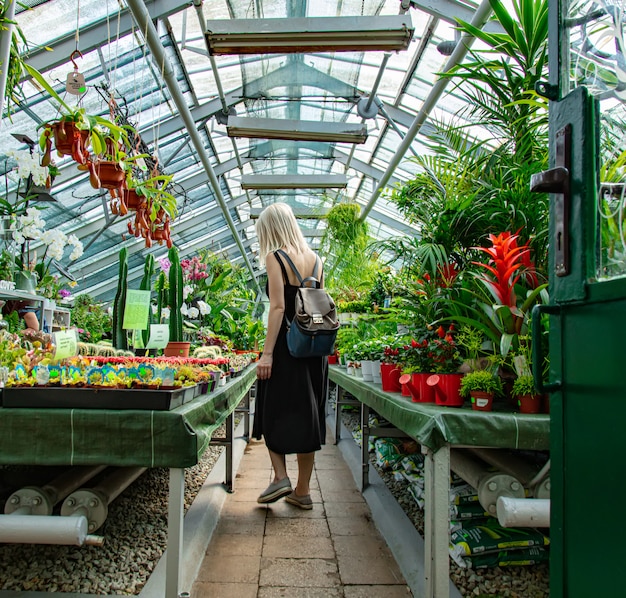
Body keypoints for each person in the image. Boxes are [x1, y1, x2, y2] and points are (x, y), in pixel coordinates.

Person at [253, 202, 329, 510]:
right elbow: (317, 303)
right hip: (314, 350)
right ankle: (302, 491)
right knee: (309, 415)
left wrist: (267, 354)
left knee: (271, 407)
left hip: (287, 347)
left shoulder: (276, 258)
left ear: (271, 230)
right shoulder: (317, 261)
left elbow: (279, 308)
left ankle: (280, 477)